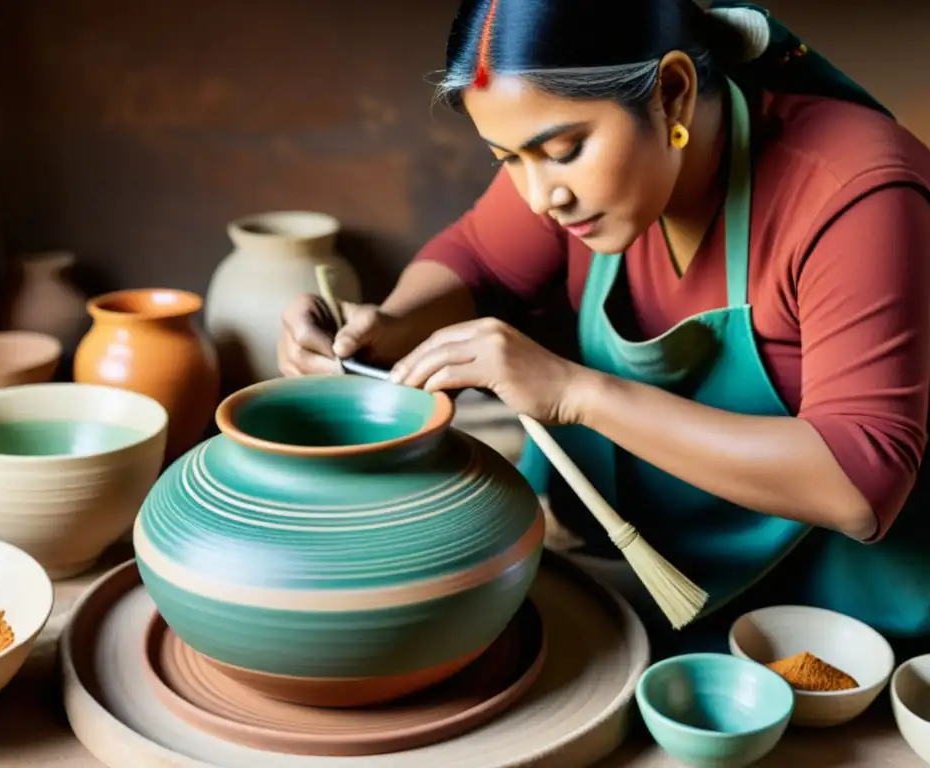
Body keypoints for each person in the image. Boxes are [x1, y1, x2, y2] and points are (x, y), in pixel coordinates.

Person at [278, 0, 930, 648]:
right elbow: (476, 260)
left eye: (564, 150)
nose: (540, 197)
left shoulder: (855, 192)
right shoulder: (570, 178)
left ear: (671, 94)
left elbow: (858, 484)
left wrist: (575, 393)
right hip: (635, 567)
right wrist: (393, 322)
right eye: (508, 158)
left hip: (825, 612)